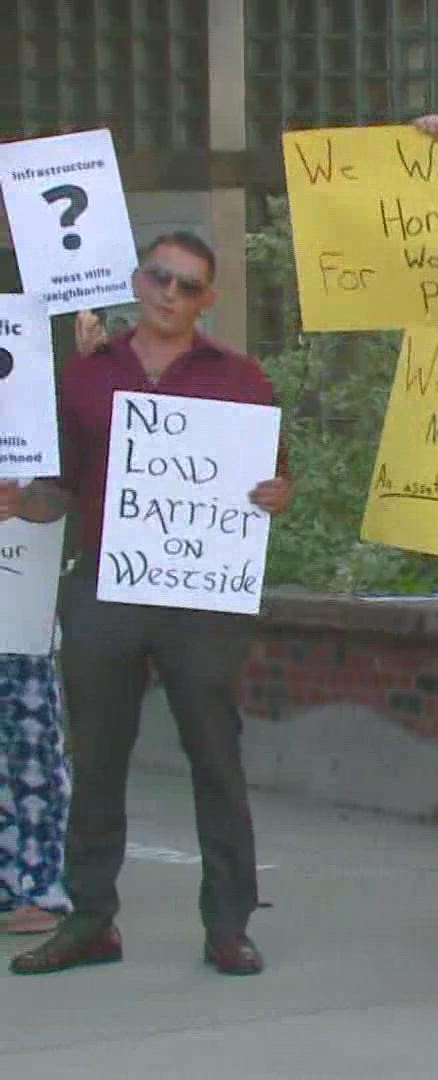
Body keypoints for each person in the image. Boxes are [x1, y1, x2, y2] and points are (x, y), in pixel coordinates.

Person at [11, 231, 295, 977]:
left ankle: (228, 926)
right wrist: (16, 502)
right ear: (138, 279)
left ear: (208, 299)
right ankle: (91, 921)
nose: (169, 292)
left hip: (200, 599)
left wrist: (276, 495)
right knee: (97, 760)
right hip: (104, 588)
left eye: (187, 285)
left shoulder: (242, 378)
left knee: (216, 759)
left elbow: (276, 483)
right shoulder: (85, 376)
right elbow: (61, 489)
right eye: (159, 276)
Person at [0, 478, 72, 937]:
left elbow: (66, 491)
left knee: (30, 757)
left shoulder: (42, 416)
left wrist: (27, 503)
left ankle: (32, 884)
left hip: (19, 609)